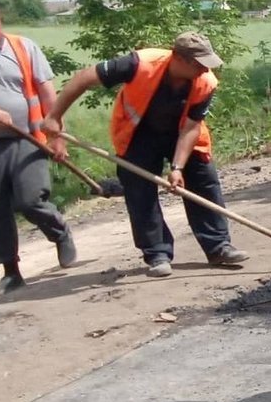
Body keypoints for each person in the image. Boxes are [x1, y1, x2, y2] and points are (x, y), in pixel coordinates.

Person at [41, 33, 248, 278]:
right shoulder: (138, 63)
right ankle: (157, 254)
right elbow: (83, 78)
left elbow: (191, 128)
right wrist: (55, 117)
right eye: (199, 63)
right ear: (178, 58)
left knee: (204, 181)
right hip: (138, 134)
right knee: (140, 192)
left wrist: (178, 167)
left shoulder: (206, 82)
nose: (204, 69)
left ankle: (218, 246)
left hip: (183, 133)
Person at [0, 2, 77, 297]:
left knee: (30, 199)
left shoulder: (24, 48)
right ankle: (11, 273)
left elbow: (49, 94)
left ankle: (59, 231)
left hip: (30, 137)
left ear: (0, 21)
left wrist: (57, 137)